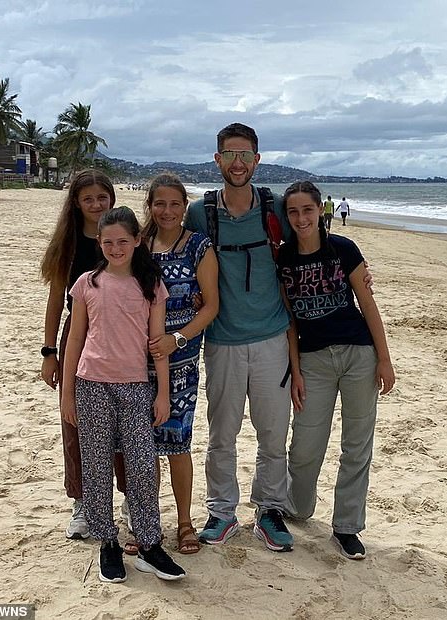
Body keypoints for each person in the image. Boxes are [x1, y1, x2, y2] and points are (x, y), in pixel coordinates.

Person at [183, 122, 297, 553]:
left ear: (257, 160)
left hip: (272, 338)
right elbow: (169, 249)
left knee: (273, 432)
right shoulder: (201, 212)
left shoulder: (277, 207)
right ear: (217, 160)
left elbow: (309, 246)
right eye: (229, 155)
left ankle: (269, 510)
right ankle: (222, 512)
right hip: (222, 341)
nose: (237, 163)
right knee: (221, 433)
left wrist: (355, 273)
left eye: (245, 155)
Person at [60, 206, 186, 583]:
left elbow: (157, 345)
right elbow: (76, 340)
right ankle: (107, 543)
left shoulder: (150, 285)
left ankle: (149, 544)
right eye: (108, 242)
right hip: (91, 385)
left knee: (142, 469)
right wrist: (68, 393)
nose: (116, 248)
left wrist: (162, 393)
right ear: (99, 243)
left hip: (135, 388)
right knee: (96, 466)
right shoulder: (87, 283)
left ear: (136, 242)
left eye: (123, 241)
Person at [278, 181, 395, 560]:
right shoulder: (283, 259)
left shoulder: (344, 249)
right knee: (306, 443)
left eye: (307, 210)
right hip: (313, 360)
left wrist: (384, 358)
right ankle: (298, 507)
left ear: (320, 211)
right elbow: (290, 322)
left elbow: (368, 303)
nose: (300, 219)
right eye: (293, 212)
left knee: (356, 445)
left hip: (359, 354)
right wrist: (295, 370)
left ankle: (346, 527)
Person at [40, 169, 124, 539]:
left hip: (122, 339)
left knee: (124, 424)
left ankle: (129, 499)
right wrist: (48, 352)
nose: (95, 204)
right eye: (88, 198)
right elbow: (56, 298)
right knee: (74, 422)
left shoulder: (123, 238)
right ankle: (83, 502)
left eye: (102, 198)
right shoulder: (70, 243)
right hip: (76, 338)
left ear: (112, 199)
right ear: (76, 202)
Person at [140, 173, 219, 555]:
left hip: (183, 359)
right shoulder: (139, 245)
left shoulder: (198, 247)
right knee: (145, 445)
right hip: (139, 360)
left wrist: (177, 339)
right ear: (150, 206)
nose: (167, 211)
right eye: (160, 203)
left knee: (178, 443)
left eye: (174, 203)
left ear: (184, 205)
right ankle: (149, 522)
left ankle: (185, 523)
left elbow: (213, 306)